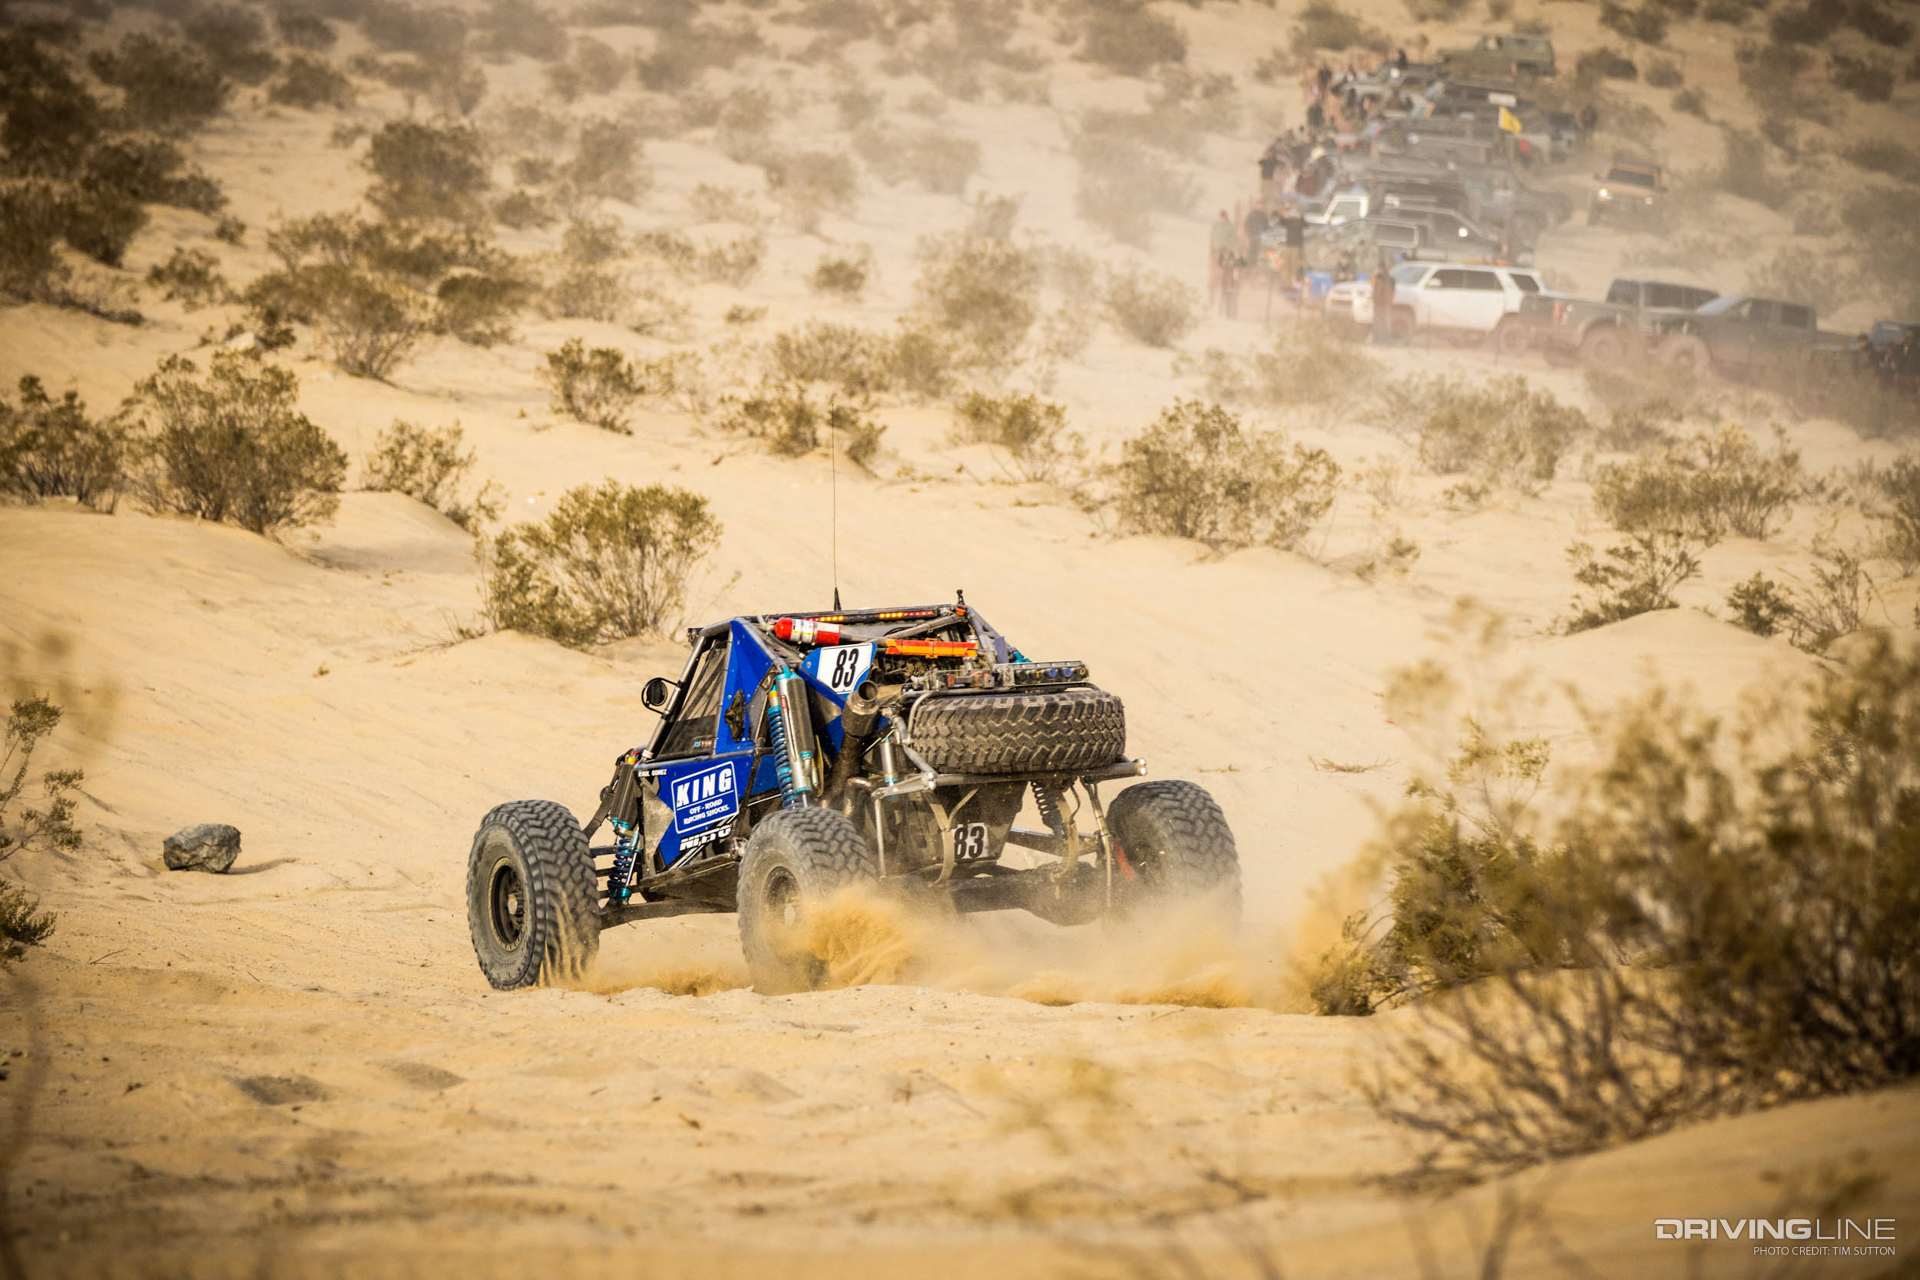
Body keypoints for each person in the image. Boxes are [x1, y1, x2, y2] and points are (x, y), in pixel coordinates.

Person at [1208, 210, 1235, 310]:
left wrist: (1227, 248)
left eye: (1224, 216)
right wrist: (1214, 245)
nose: (1222, 218)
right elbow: (1212, 236)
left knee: (1225, 272)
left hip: (1225, 252)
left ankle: (1226, 288)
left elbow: (1232, 239)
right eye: (1221, 216)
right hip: (1216, 251)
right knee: (1214, 272)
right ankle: (1212, 290)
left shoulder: (1230, 226)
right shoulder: (1216, 225)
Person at [1276, 200, 1307, 286]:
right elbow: (1281, 222)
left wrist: (1300, 217)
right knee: (1286, 262)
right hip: (1289, 244)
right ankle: (1287, 279)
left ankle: (1293, 278)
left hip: (1296, 245)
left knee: (1294, 262)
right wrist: (1283, 215)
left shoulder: (1300, 221)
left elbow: (1306, 225)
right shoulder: (1289, 221)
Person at [1371, 251, 1397, 345]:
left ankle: (1382, 340)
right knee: (1382, 323)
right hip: (1383, 303)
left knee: (1383, 323)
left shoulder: (1382, 278)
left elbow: (1373, 285)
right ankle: (1383, 340)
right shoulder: (1390, 279)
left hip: (1382, 303)